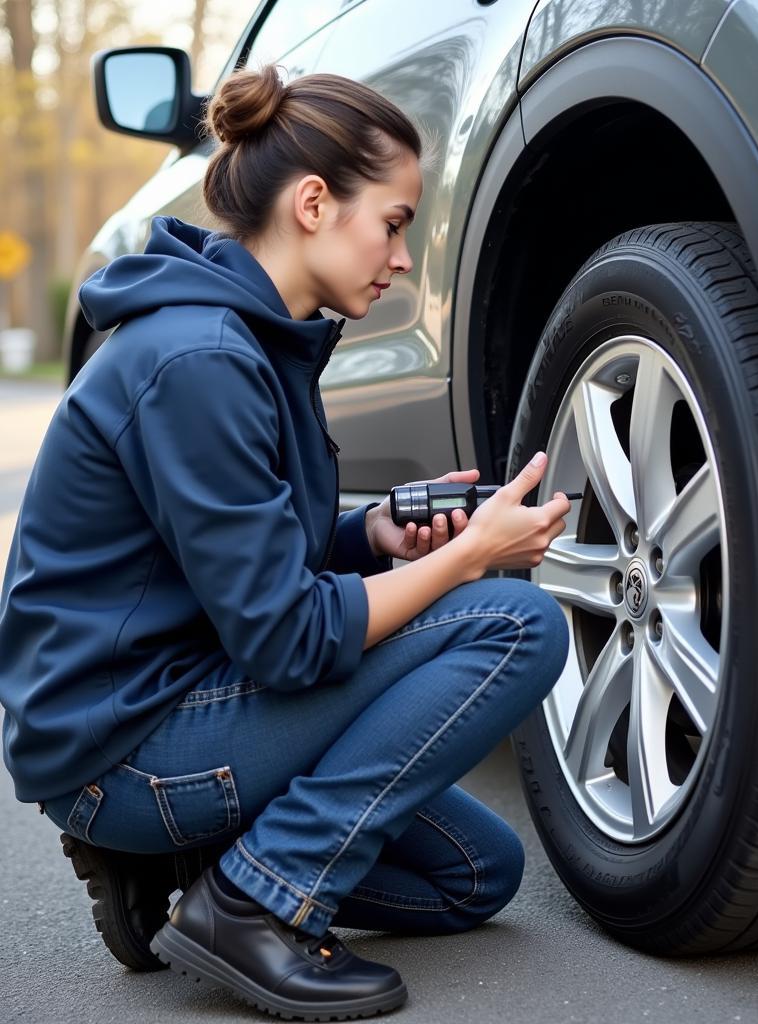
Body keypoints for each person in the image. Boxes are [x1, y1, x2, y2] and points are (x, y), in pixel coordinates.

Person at [0, 65, 570, 1020]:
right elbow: (290, 641)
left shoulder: (254, 341)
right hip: (125, 744)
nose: (400, 255)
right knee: (515, 623)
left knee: (478, 874)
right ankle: (252, 901)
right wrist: (463, 559)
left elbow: (240, 570)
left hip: (174, 699)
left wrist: (370, 534)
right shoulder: (202, 359)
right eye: (392, 222)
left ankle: (176, 868)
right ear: (314, 202)